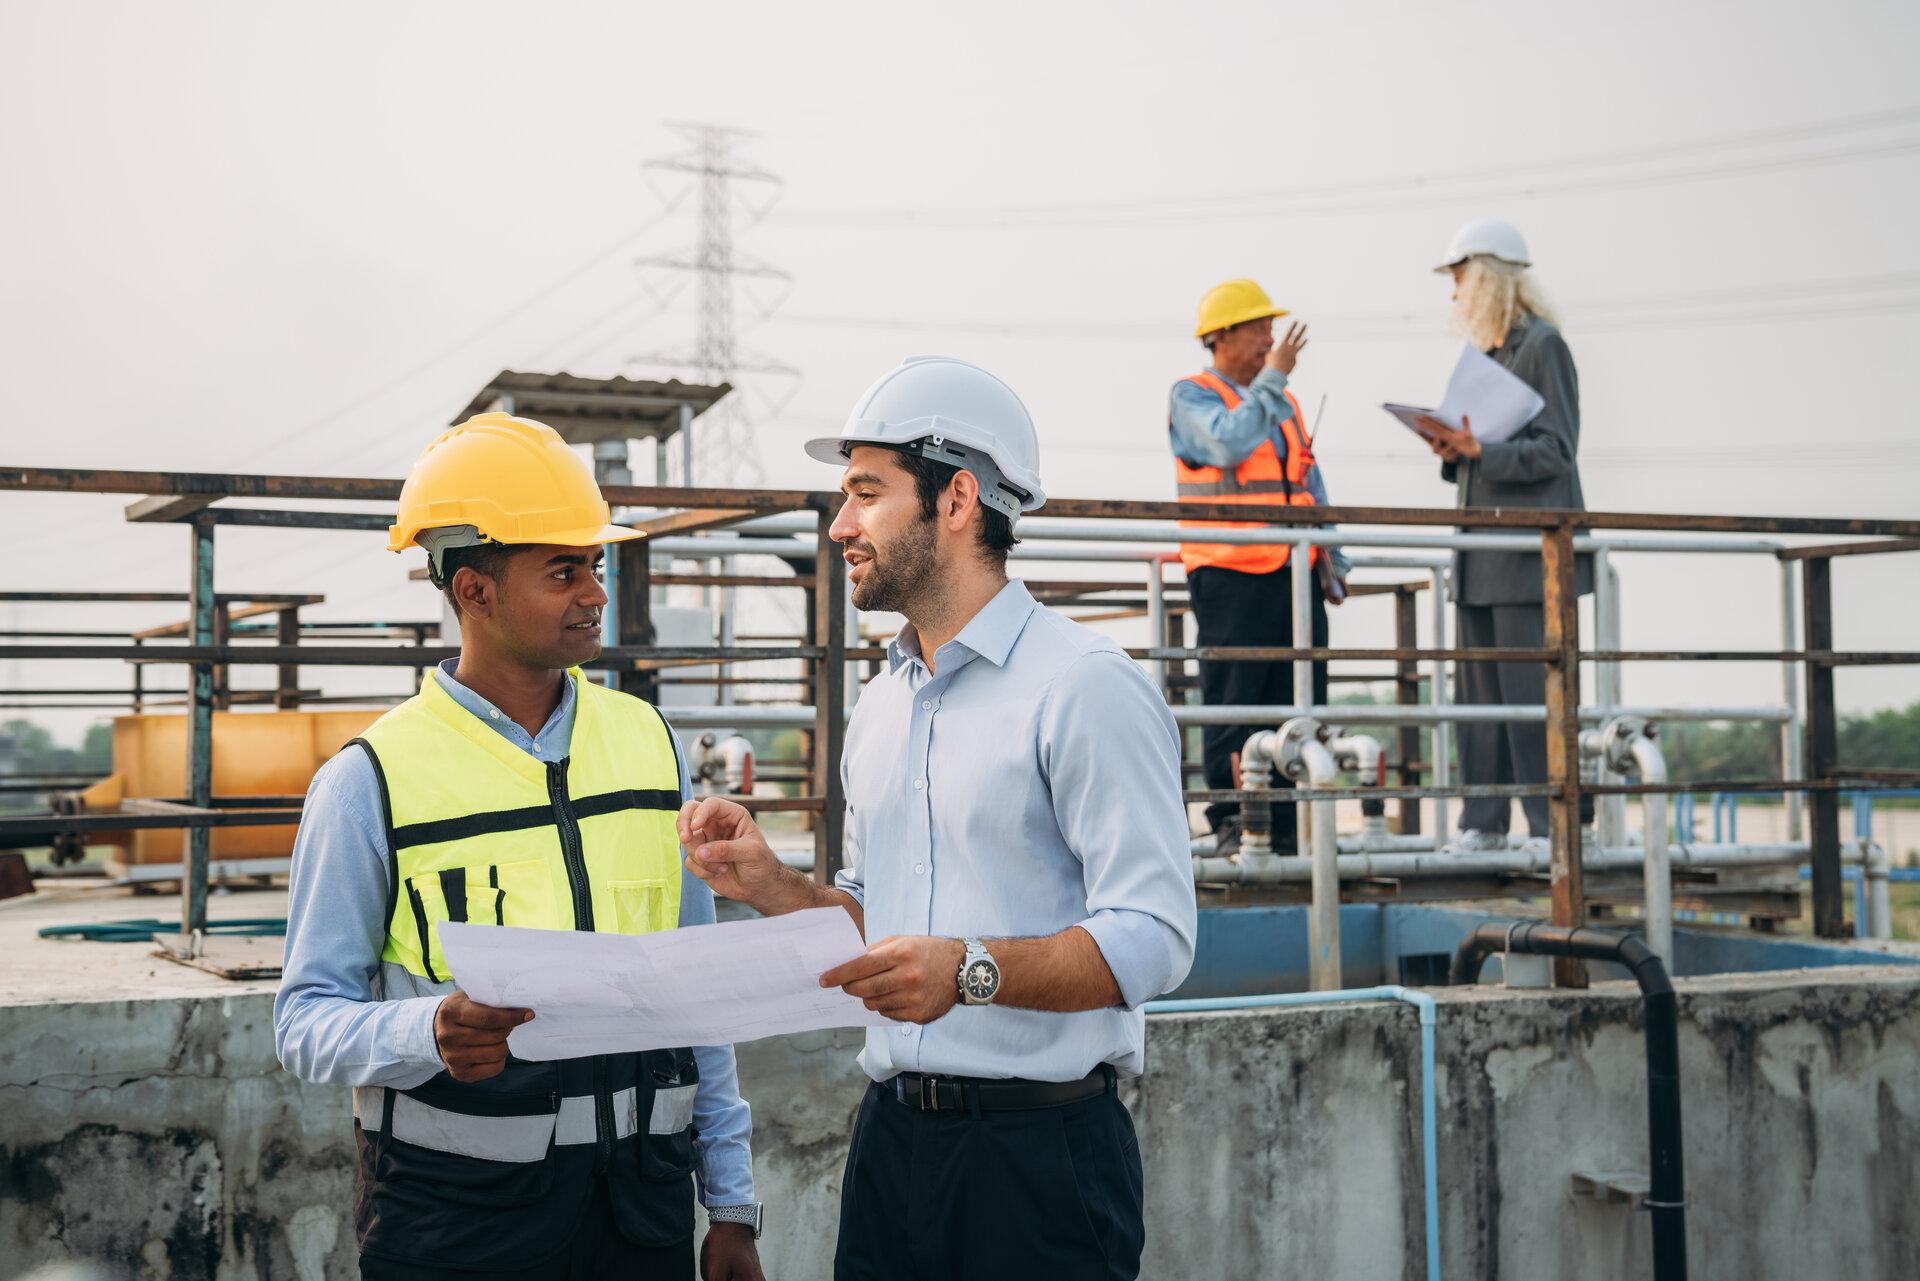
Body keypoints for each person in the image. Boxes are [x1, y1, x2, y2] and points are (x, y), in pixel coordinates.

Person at [676, 357, 1198, 1281]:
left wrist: (971, 973)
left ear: (957, 500)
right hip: (891, 1145)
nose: (841, 524)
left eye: (867, 492)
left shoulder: (1083, 687)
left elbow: (1155, 938)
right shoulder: (882, 703)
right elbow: (883, 937)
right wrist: (776, 886)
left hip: (1040, 1160)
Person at [273, 412, 765, 1281]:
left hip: (638, 1222)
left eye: (596, 565)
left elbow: (699, 1000)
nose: (596, 593)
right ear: (475, 589)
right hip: (457, 1231)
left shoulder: (650, 743)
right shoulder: (370, 778)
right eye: (563, 570)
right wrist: (426, 1027)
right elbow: (305, 1022)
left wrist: (728, 1204)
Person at [1416, 218, 1593, 851]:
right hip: (1481, 556)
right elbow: (1486, 451)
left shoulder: (1542, 346)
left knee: (1530, 696)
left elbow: (1557, 450)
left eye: (1459, 278)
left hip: (1528, 559)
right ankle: (1482, 824)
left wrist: (1480, 450)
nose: (1454, 294)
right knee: (1481, 703)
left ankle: (1553, 827)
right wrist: (1454, 448)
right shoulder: (1491, 355)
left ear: (1488, 276)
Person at [1169, 278, 1350, 857]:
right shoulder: (1192, 395)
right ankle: (1232, 822)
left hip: (1295, 575)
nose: (1271, 340)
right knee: (1235, 700)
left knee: (1299, 699)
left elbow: (1308, 483)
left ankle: (1294, 829)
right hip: (1229, 575)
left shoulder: (1285, 403)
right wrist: (1273, 379)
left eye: (1271, 330)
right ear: (1220, 337)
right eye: (1258, 329)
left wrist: (1333, 559)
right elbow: (1226, 445)